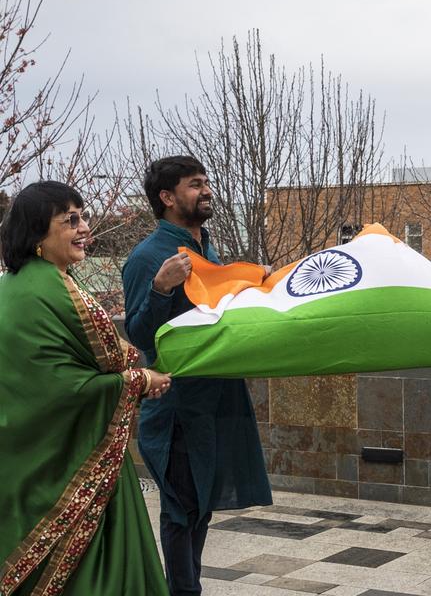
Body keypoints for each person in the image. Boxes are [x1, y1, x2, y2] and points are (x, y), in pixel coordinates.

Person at [0, 181, 171, 595]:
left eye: (85, 217)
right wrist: (140, 379)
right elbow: (73, 382)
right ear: (39, 233)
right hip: (72, 458)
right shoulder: (53, 288)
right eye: (70, 220)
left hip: (29, 454)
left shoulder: (15, 285)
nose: (83, 228)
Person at [122, 156, 272, 596]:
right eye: (195, 184)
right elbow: (139, 335)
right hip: (176, 409)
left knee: (201, 506)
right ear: (168, 198)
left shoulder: (208, 251)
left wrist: (253, 284)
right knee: (181, 508)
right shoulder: (148, 257)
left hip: (218, 400)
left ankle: (189, 587)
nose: (206, 191)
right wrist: (160, 288)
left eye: (206, 182)